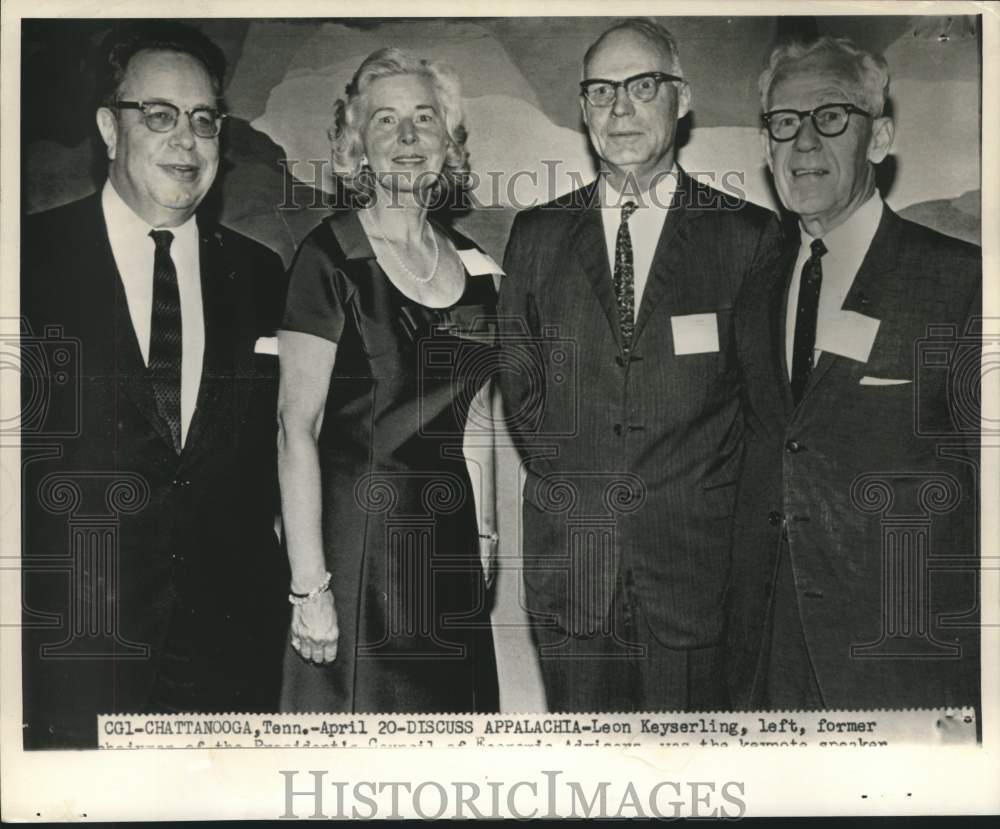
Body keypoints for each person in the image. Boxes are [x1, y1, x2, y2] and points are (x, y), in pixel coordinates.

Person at [498, 18, 779, 712]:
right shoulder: (536, 235)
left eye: (641, 85)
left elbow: (761, 412)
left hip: (695, 577)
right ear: (583, 107)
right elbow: (522, 386)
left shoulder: (746, 238)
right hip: (574, 573)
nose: (620, 108)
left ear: (681, 98)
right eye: (601, 91)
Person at [20, 22, 289, 748]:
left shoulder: (265, 278)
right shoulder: (27, 263)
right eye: (160, 116)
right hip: (71, 649)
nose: (187, 141)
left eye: (205, 120)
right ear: (111, 127)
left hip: (231, 654)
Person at [725, 36, 981, 711]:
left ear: (880, 137)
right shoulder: (755, 286)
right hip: (769, 656)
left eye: (831, 117)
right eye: (784, 123)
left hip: (902, 657)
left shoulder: (961, 282)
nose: (804, 142)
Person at [277, 48, 501, 713]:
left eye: (424, 118)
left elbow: (481, 415)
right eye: (386, 121)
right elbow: (297, 427)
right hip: (357, 549)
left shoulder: (479, 268)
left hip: (449, 547)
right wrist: (308, 585)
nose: (408, 138)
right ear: (357, 145)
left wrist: (486, 530)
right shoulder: (329, 255)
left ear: (447, 142)